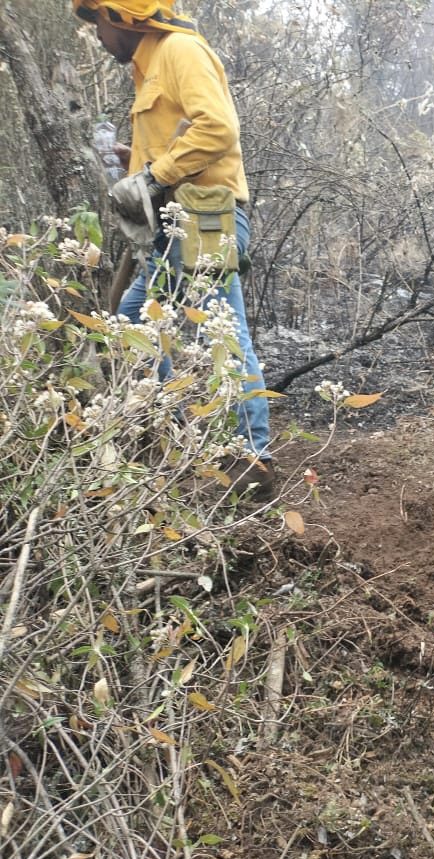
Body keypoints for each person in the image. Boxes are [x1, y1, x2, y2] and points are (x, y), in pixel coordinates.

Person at [73, 0, 274, 500]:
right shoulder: (150, 65)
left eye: (98, 20)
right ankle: (173, 436)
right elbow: (181, 142)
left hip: (204, 212)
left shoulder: (180, 50)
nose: (97, 34)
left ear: (120, 15)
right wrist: (136, 159)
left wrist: (153, 174)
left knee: (222, 329)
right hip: (174, 219)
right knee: (135, 317)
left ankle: (252, 458)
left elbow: (218, 129)